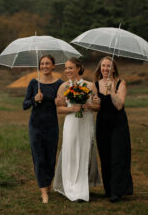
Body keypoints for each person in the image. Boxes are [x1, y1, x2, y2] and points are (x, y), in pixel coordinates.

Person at [53, 57, 101, 202]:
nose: (67, 70)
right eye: (66, 68)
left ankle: (82, 186)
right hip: (71, 123)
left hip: (86, 122)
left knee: (85, 150)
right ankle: (70, 186)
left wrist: (89, 106)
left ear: (79, 68)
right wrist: (72, 108)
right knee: (70, 150)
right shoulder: (63, 87)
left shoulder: (91, 85)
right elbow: (59, 110)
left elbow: (98, 107)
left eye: (70, 68)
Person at [23, 54, 63, 203]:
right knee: (39, 158)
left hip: (52, 126)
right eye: (42, 64)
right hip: (36, 126)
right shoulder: (34, 83)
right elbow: (24, 105)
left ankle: (47, 183)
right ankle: (44, 191)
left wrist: (61, 101)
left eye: (48, 63)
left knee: (50, 158)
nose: (45, 66)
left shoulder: (60, 83)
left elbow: (66, 103)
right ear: (40, 66)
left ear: (53, 66)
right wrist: (34, 99)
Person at [94, 56, 133, 203]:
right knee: (105, 157)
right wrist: (95, 103)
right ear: (100, 68)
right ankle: (109, 190)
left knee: (117, 157)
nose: (105, 69)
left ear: (114, 68)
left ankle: (117, 191)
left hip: (118, 125)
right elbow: (95, 107)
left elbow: (119, 105)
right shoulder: (96, 85)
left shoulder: (121, 83)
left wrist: (111, 92)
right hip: (102, 125)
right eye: (103, 66)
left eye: (108, 66)